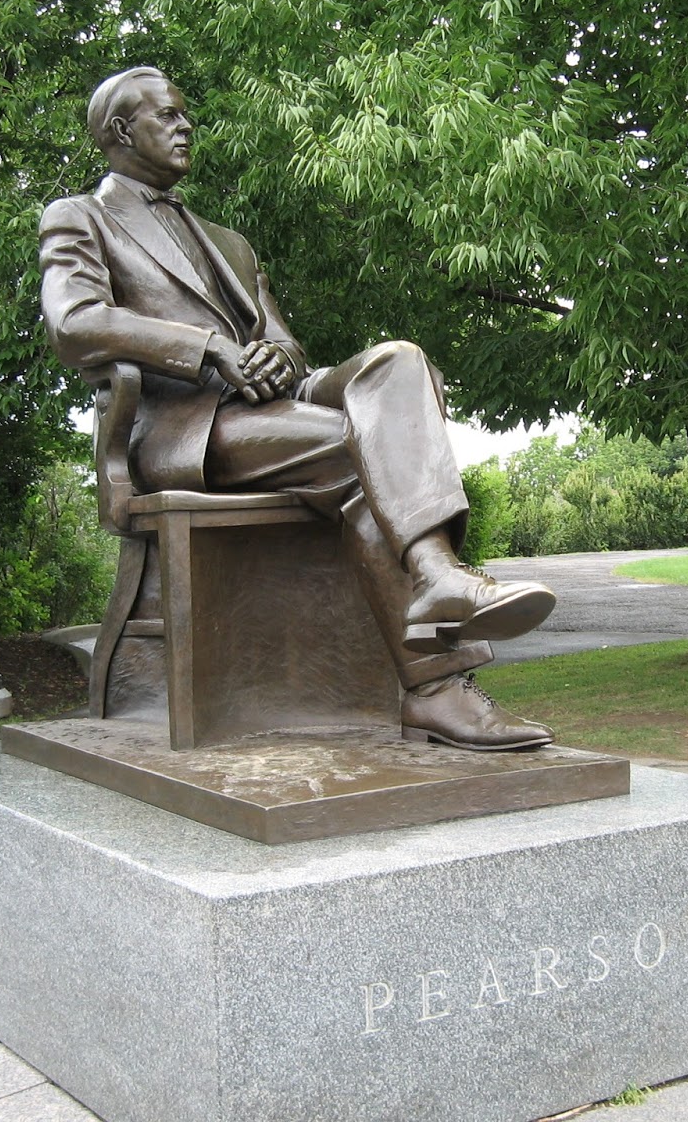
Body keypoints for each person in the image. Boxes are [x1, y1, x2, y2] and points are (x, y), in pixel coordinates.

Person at [40, 67, 557, 751]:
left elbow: (282, 339)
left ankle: (437, 582)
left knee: (402, 361)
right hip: (188, 427)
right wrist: (210, 352)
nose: (185, 125)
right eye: (165, 116)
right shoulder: (80, 217)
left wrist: (278, 357)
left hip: (274, 405)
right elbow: (75, 324)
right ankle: (436, 682)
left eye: (185, 114)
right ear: (118, 131)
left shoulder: (229, 242)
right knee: (360, 448)